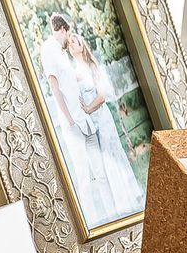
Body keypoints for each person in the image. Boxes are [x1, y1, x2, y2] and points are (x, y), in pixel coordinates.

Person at [36, 13, 112, 226]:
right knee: (84, 177)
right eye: (68, 33)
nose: (69, 38)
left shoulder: (62, 55)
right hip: (72, 125)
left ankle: (111, 214)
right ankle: (93, 222)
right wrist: (69, 120)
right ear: (63, 29)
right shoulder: (48, 49)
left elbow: (73, 82)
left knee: (101, 174)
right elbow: (54, 86)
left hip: (85, 122)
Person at [67, 32, 144, 220]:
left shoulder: (92, 67)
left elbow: (101, 96)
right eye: (69, 43)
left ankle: (126, 200)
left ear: (81, 46)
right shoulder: (73, 73)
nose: (70, 45)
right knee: (102, 162)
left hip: (103, 118)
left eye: (74, 42)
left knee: (112, 156)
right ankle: (117, 203)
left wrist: (87, 108)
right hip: (91, 124)